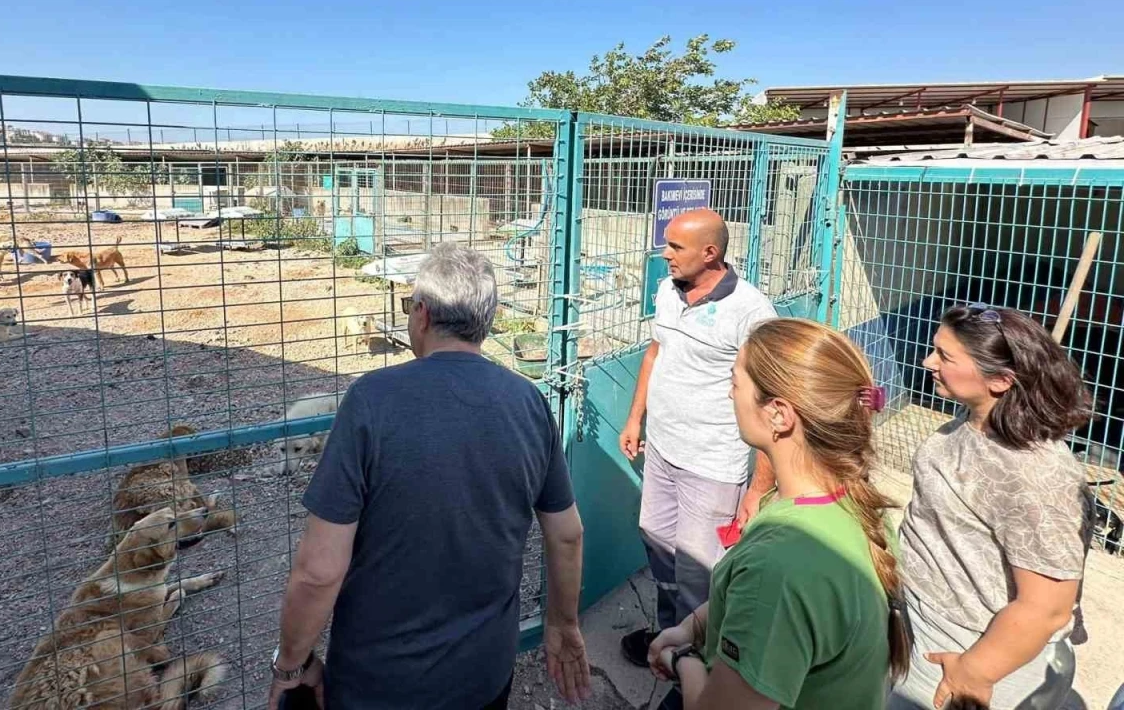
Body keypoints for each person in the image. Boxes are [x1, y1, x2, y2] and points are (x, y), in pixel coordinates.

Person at [266, 243, 592, 710]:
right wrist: (563, 624)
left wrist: (291, 664)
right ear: (488, 320)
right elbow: (567, 534)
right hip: (484, 675)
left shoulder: (370, 401)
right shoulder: (529, 402)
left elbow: (319, 572)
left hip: (379, 684)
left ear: (420, 314)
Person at [647, 317, 908, 709]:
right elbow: (760, 609)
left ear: (779, 415)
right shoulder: (854, 501)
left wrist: (684, 660)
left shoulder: (778, 566)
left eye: (736, 382)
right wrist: (693, 627)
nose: (730, 393)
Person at [888, 304, 1093, 710]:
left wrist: (974, 672)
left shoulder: (1035, 476)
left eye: (945, 356)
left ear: (1000, 380)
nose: (928, 362)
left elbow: (1047, 608)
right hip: (928, 629)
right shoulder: (975, 424)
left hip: (970, 653)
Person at [618, 208, 778, 666]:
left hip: (711, 465)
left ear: (710, 253)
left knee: (698, 572)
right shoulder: (668, 291)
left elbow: (771, 401)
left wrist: (758, 489)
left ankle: (695, 667)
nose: (664, 254)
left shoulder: (751, 312)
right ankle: (669, 639)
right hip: (662, 451)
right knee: (657, 541)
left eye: (675, 247)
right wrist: (635, 419)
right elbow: (655, 353)